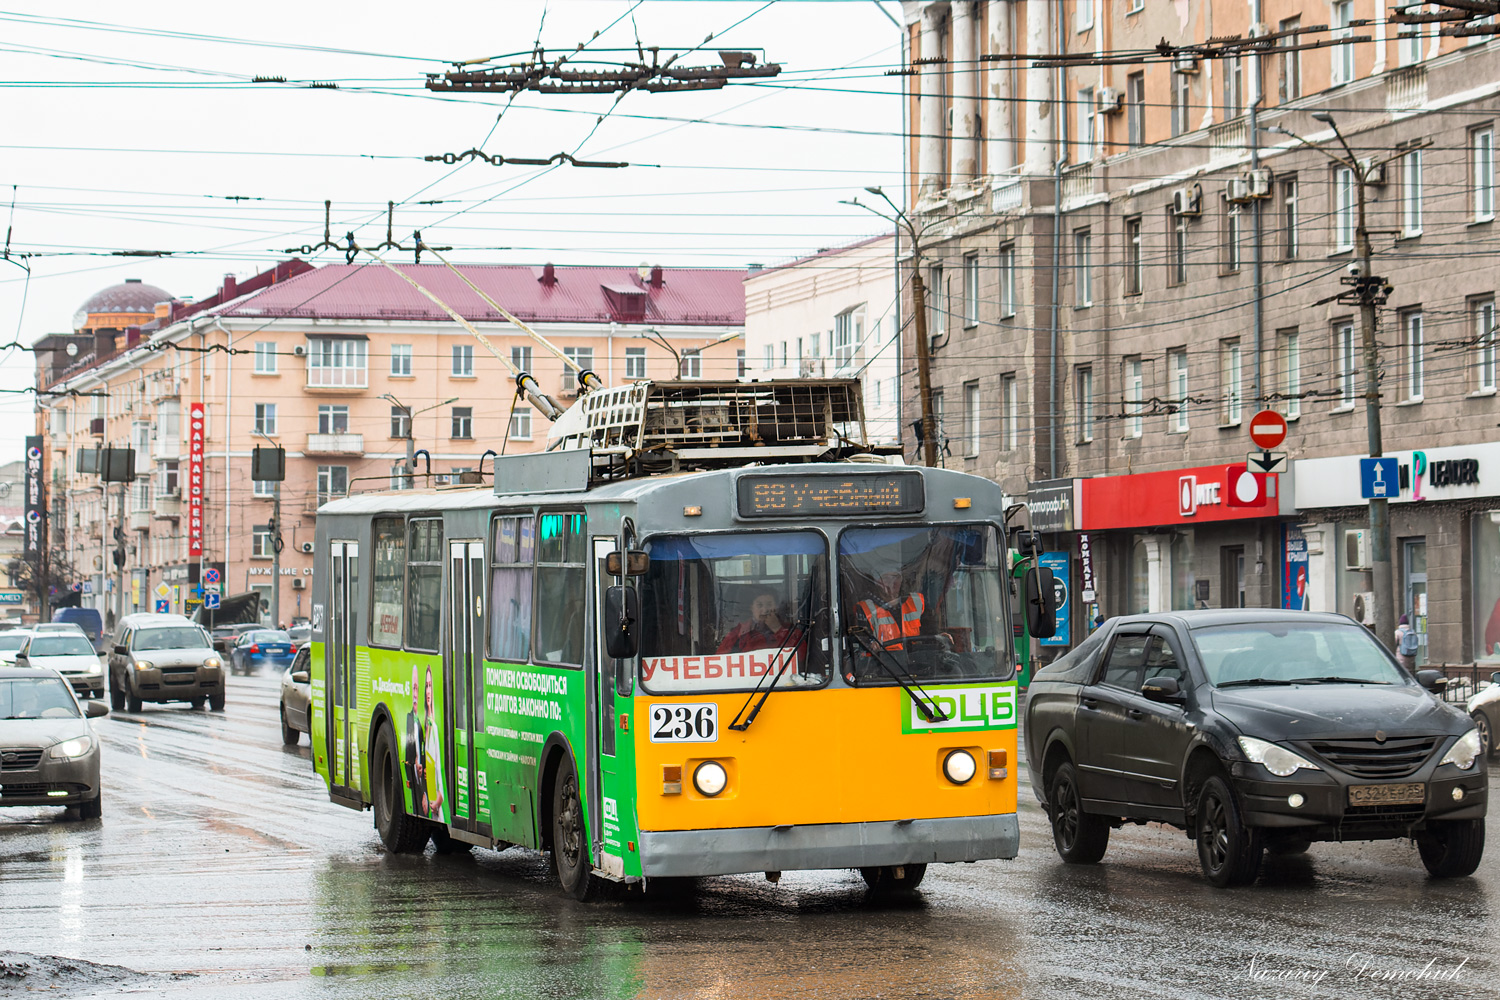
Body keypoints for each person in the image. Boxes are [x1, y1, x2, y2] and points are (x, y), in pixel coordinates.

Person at [856, 571, 925, 650]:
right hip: (881, 661)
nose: (893, 583)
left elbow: (930, 631)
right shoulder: (864, 609)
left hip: (916, 658)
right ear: (877, 582)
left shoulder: (916, 601)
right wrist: (871, 645)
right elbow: (861, 642)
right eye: (887, 578)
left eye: (896, 577)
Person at [717, 589, 793, 653]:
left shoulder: (789, 629)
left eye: (769, 605)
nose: (765, 610)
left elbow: (801, 656)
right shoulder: (740, 631)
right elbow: (721, 657)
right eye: (759, 605)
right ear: (751, 608)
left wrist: (778, 629)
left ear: (776, 607)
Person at [422, 666, 446, 820]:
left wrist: (439, 801)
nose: (428, 691)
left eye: (430, 686)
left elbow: (440, 769)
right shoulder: (425, 725)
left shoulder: (435, 728)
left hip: (437, 805)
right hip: (430, 800)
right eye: (427, 686)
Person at [403, 665, 427, 816]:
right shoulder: (409, 718)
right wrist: (414, 766)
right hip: (415, 781)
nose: (415, 695)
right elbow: (407, 757)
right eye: (413, 689)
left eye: (417, 689)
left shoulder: (426, 721)